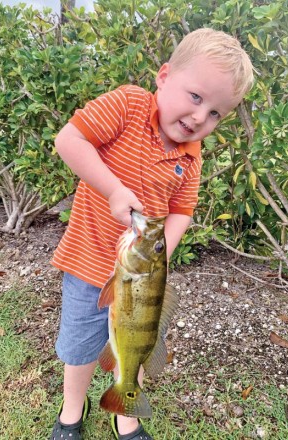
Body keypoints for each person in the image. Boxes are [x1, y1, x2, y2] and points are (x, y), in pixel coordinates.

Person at [49, 28, 254, 440]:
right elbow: (69, 140)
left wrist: (157, 254)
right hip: (89, 263)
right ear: (163, 76)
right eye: (196, 97)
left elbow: (182, 211)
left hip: (144, 276)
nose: (200, 117)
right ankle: (73, 409)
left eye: (215, 113)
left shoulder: (190, 158)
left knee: (136, 343)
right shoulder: (126, 105)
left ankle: (125, 409)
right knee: (79, 348)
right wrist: (113, 188)